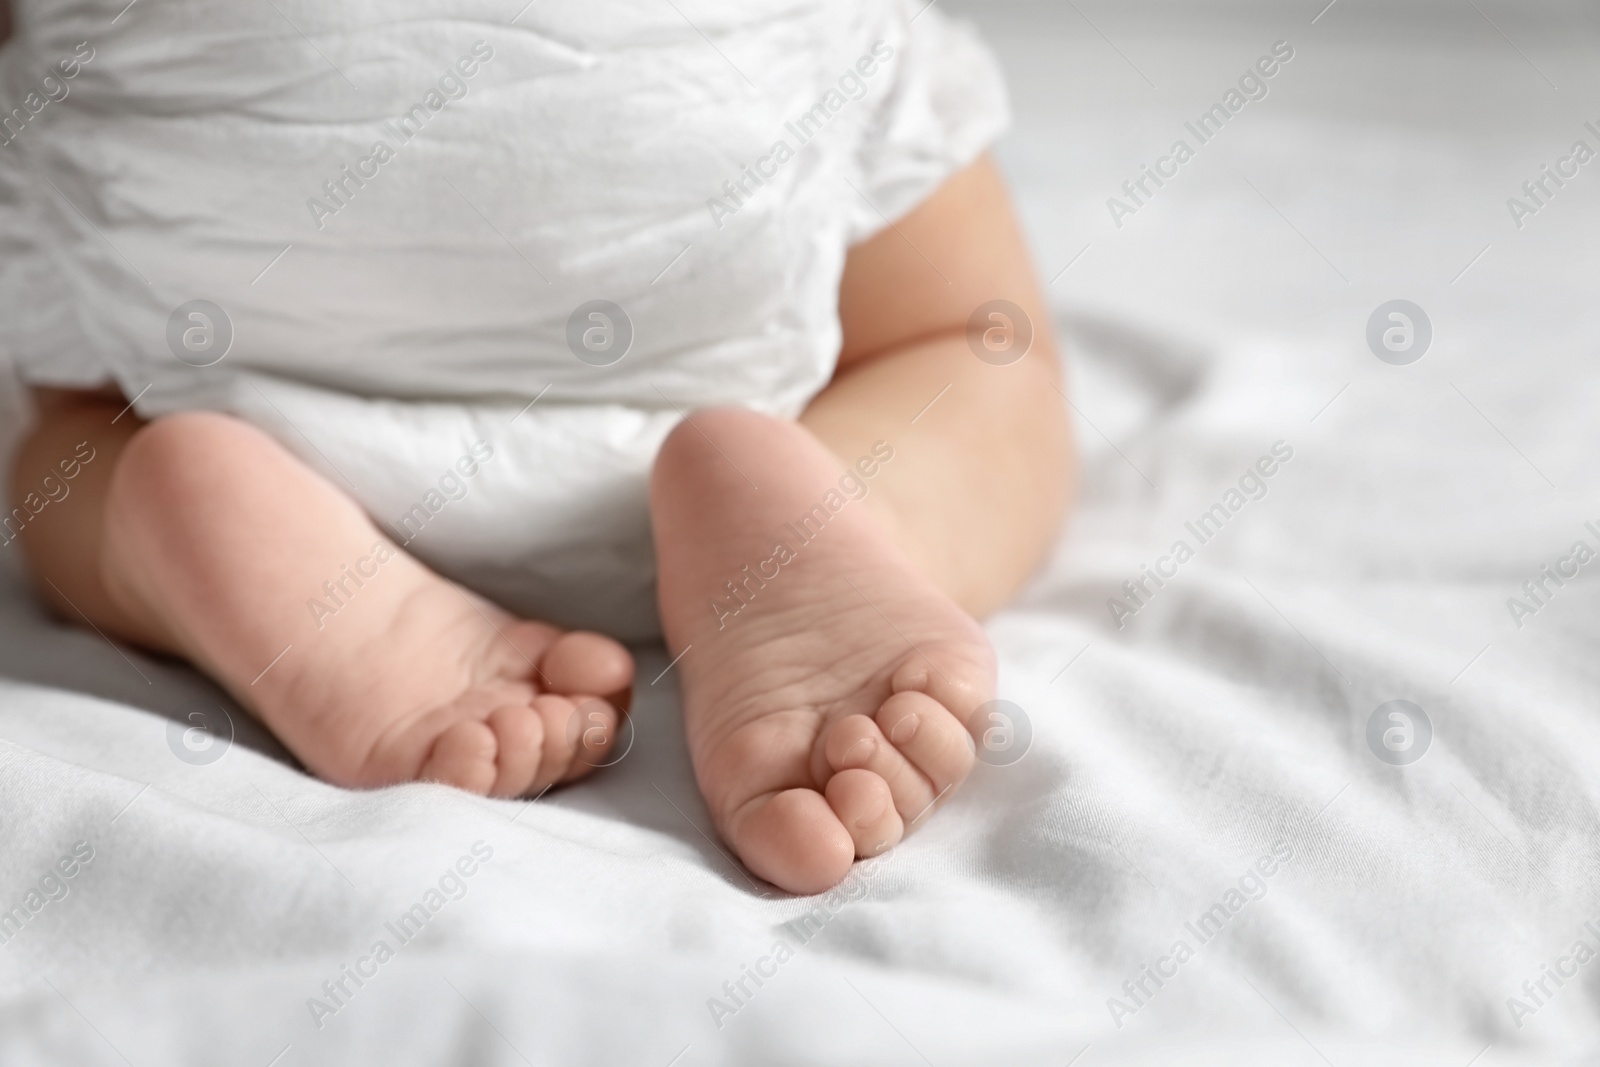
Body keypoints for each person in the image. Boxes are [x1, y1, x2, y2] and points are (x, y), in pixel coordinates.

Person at [1, 0, 1071, 894]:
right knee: (967, 355)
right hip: (694, 80)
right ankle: (844, 503)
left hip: (205, 115)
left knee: (74, 448)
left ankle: (169, 504)